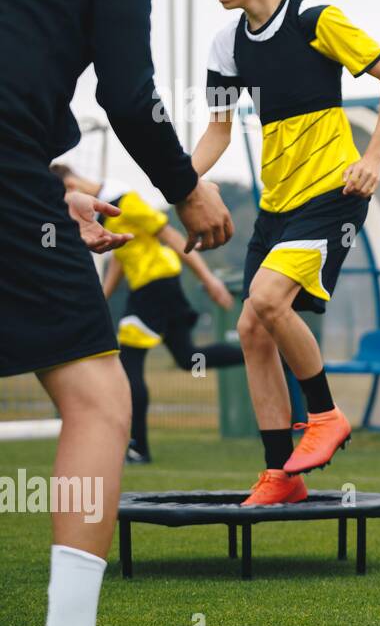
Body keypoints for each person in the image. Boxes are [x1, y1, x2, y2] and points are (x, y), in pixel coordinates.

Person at [0, 0, 234, 626]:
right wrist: (190, 192)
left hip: (20, 175)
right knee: (99, 400)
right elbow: (129, 96)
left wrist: (55, 187)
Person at [189, 0, 380, 506]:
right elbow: (216, 132)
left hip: (332, 195)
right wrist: (177, 185)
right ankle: (282, 475)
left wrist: (376, 157)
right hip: (277, 204)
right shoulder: (225, 43)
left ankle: (325, 414)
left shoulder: (318, 21)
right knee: (248, 328)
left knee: (265, 301)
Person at [52, 165, 244, 464]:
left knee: (129, 362)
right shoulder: (105, 212)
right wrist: (101, 298)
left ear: (72, 185)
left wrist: (209, 280)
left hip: (155, 287)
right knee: (187, 357)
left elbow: (171, 236)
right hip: (154, 288)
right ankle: (257, 352)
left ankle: (138, 447)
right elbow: (120, 257)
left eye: (64, 196)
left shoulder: (126, 202)